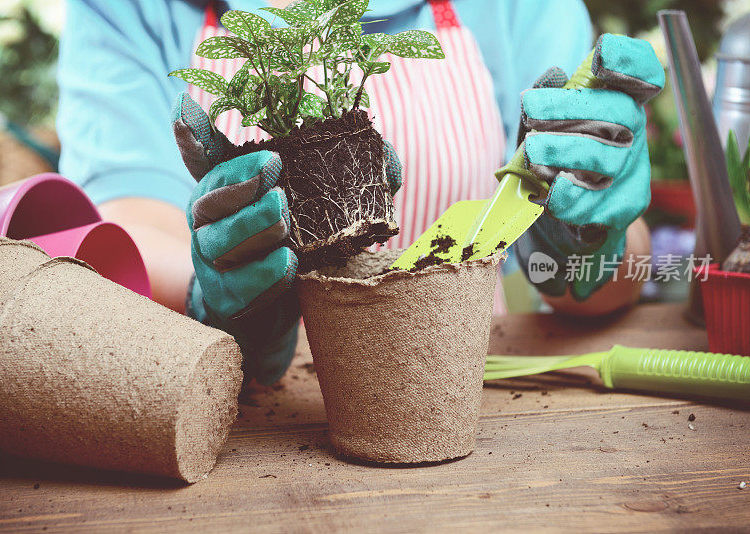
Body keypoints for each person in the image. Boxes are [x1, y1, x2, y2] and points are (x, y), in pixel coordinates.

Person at [57, 0, 664, 384]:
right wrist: (215, 290)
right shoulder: (130, 8)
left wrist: (588, 238)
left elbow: (621, 260)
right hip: (250, 415)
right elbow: (126, 226)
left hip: (459, 383)